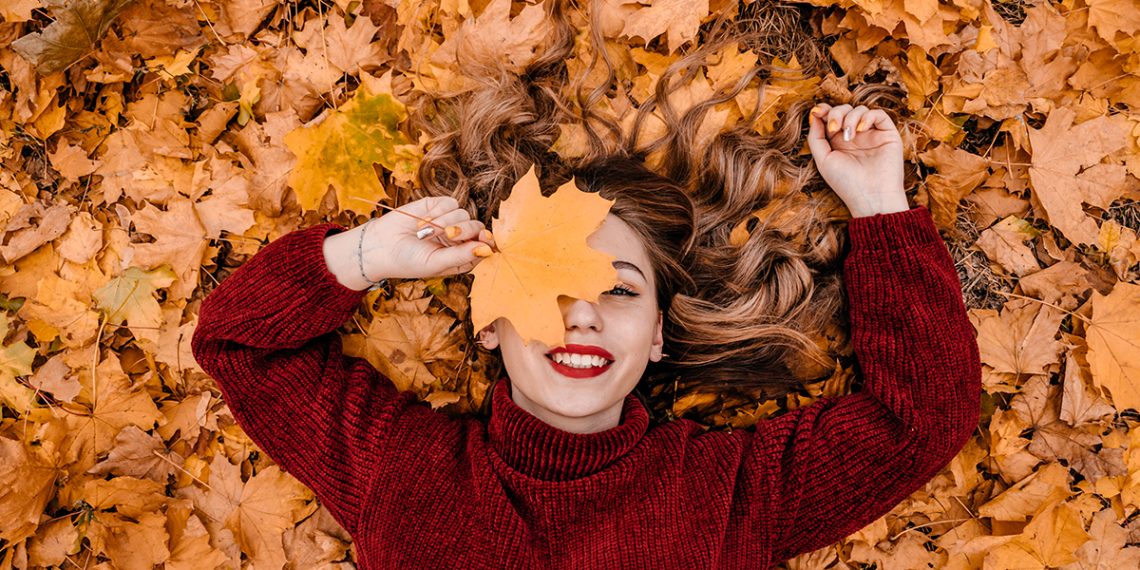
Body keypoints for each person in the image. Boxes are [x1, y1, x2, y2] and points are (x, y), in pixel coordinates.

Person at [191, 100, 982, 568]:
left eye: (621, 291)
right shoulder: (401, 470)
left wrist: (879, 200)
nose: (581, 313)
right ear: (491, 322)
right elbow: (239, 345)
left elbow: (919, 420)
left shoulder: (733, 492)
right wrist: (369, 255)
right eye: (550, 284)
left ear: (659, 339)